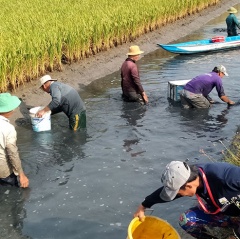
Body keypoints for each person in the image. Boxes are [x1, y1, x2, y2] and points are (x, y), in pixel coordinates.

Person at [134, 161, 240, 239]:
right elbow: (165, 192)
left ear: (188, 186)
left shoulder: (228, 178)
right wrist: (144, 205)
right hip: (225, 210)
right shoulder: (189, 176)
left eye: (178, 193)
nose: (177, 196)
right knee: (187, 220)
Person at [0, 93, 29, 188]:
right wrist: (21, 175)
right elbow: (12, 153)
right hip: (3, 171)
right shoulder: (8, 128)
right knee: (11, 194)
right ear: (8, 109)